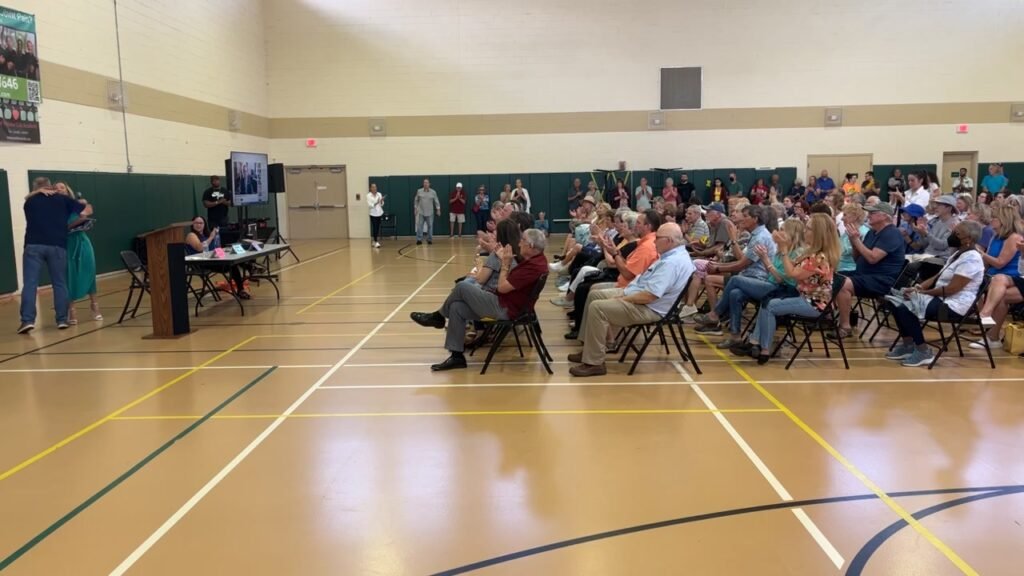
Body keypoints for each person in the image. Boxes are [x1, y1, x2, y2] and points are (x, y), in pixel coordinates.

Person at [410, 229, 549, 371]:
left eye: (523, 240)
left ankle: (438, 317)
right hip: (506, 304)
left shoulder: (533, 267)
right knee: (456, 307)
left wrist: (505, 264)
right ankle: (457, 357)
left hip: (505, 309)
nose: (519, 243)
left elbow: (502, 287)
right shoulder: (535, 262)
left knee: (462, 286)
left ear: (531, 246)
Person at [567, 223, 694, 377]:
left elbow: (650, 296)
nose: (654, 242)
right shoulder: (672, 255)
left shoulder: (672, 263)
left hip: (649, 308)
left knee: (598, 307)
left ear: (669, 241)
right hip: (638, 295)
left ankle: (595, 363)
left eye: (658, 238)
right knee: (594, 295)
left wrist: (624, 298)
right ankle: (590, 349)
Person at [734, 214, 839, 364]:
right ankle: (755, 344)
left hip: (814, 303)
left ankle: (764, 349)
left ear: (818, 234)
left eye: (808, 229)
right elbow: (791, 269)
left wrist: (783, 249)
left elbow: (792, 274)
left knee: (770, 306)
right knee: (768, 300)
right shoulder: (810, 252)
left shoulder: (818, 257)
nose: (805, 231)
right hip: (803, 295)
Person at [887, 221, 986, 367]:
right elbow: (938, 276)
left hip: (954, 305)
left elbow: (952, 289)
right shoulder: (958, 253)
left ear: (968, 239)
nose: (952, 236)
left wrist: (923, 293)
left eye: (957, 234)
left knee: (905, 308)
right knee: (894, 302)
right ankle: (908, 344)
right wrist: (918, 288)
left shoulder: (972, 258)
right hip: (941, 297)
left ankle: (923, 351)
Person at [693, 205, 777, 340]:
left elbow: (741, 264)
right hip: (748, 277)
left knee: (734, 280)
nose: (742, 219)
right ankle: (735, 336)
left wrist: (719, 268)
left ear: (755, 219)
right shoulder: (756, 235)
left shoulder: (760, 237)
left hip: (759, 280)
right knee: (735, 293)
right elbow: (742, 262)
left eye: (745, 216)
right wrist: (718, 265)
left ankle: (715, 315)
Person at [19, 178, 91, 333]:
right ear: (50, 185)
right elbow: (86, 210)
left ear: (35, 188)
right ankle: (62, 320)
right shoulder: (63, 199)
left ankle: (27, 321)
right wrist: (82, 205)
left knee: (30, 284)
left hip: (33, 245)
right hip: (57, 245)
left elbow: (28, 198)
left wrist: (35, 193)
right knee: (59, 283)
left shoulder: (29, 202)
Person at [835, 202, 906, 336]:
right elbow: (858, 259)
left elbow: (873, 258)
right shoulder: (872, 233)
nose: (869, 215)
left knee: (843, 284)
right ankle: (828, 316)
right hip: (864, 274)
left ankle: (845, 326)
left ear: (885, 216)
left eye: (873, 213)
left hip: (882, 280)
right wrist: (853, 241)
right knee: (830, 277)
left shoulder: (891, 233)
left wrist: (856, 241)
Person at [54, 183, 102, 324]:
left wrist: (85, 213)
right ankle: (72, 311)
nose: (59, 189)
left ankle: (95, 307)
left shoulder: (75, 204)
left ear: (67, 190)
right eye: (55, 188)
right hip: (67, 243)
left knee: (89, 272)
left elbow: (88, 212)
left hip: (82, 241)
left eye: (61, 187)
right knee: (70, 275)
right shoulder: (53, 208)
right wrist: (78, 220)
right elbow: (62, 227)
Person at [185, 216, 250, 299]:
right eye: (196, 223)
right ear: (192, 225)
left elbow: (215, 248)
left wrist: (222, 251)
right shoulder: (191, 235)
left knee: (235, 260)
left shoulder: (206, 235)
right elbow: (200, 248)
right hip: (201, 263)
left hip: (212, 259)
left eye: (201, 223)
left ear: (204, 224)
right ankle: (241, 288)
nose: (199, 225)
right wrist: (211, 237)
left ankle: (249, 270)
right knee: (232, 265)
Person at [414, 178, 440, 245]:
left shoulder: (433, 192)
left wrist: (438, 210)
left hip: (430, 212)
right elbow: (416, 200)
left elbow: (436, 201)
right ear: (423, 184)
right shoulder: (419, 191)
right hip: (421, 212)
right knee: (420, 226)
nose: (425, 184)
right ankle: (419, 239)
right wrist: (415, 208)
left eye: (427, 183)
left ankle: (429, 239)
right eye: (424, 183)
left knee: (430, 226)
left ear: (429, 184)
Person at [367, 183, 384, 248]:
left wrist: (382, 201)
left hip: (379, 213)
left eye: (375, 187)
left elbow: (382, 204)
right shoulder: (368, 195)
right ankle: (376, 241)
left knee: (377, 227)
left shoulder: (379, 194)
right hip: (373, 214)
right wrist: (376, 202)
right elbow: (370, 205)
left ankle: (374, 241)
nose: (375, 188)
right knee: (375, 227)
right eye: (373, 187)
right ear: (370, 188)